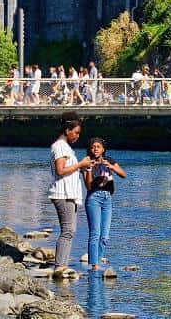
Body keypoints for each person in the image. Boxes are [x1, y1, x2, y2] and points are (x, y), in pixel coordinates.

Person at [48, 115, 92, 280]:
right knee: (67, 231)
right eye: (76, 132)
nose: (77, 136)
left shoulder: (64, 147)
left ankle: (62, 265)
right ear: (67, 130)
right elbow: (60, 170)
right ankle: (60, 266)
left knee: (69, 231)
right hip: (63, 194)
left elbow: (68, 169)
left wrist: (82, 167)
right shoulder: (60, 146)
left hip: (68, 194)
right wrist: (80, 165)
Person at [81, 137, 127, 270]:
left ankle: (98, 261)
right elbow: (88, 186)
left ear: (103, 149)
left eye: (98, 146)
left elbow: (123, 174)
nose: (95, 149)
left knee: (105, 236)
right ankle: (94, 265)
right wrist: (89, 169)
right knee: (95, 233)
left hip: (107, 198)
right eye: (93, 147)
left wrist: (112, 167)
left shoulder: (109, 161)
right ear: (90, 149)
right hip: (94, 197)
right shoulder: (86, 162)